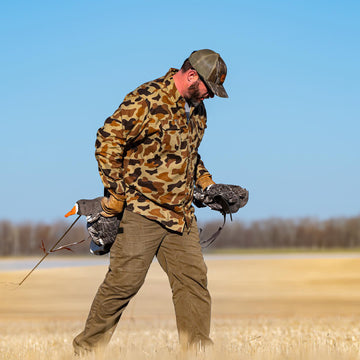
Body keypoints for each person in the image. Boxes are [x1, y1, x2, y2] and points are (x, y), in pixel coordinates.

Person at [73, 49, 229, 354]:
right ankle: (86, 350)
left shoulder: (196, 110)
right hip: (140, 211)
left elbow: (190, 155)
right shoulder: (146, 99)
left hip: (180, 214)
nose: (210, 96)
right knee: (123, 284)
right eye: (210, 89)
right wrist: (115, 196)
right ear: (192, 75)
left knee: (193, 283)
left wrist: (208, 186)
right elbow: (107, 141)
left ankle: (197, 352)